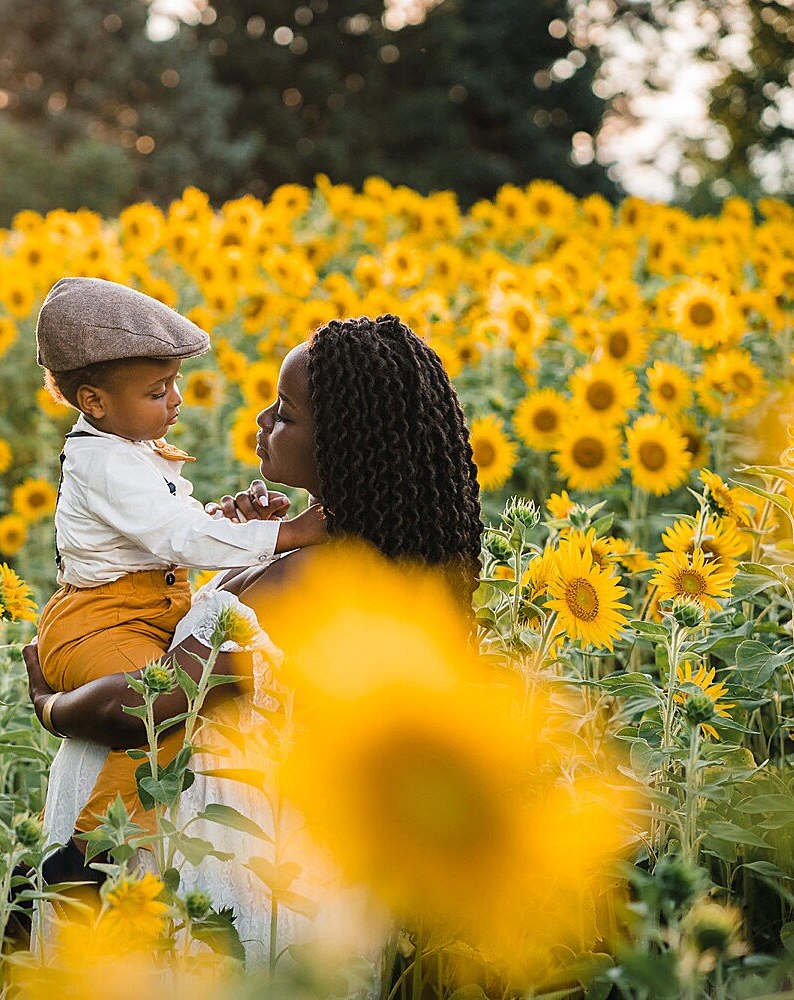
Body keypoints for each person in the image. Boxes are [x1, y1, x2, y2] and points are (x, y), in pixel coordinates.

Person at [24, 314, 485, 971]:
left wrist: (49, 702)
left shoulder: (308, 580)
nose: (263, 420)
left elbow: (148, 708)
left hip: (214, 885)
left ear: (346, 445)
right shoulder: (322, 556)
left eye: (287, 413)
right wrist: (241, 541)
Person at [32, 276, 330, 862]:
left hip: (137, 613)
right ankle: (91, 854)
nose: (175, 401)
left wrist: (45, 702)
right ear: (94, 402)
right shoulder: (110, 460)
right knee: (158, 719)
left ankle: (87, 851)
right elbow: (174, 536)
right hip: (105, 619)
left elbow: (167, 527)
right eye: (158, 390)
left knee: (161, 713)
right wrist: (283, 533)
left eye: (173, 384)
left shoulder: (124, 447)